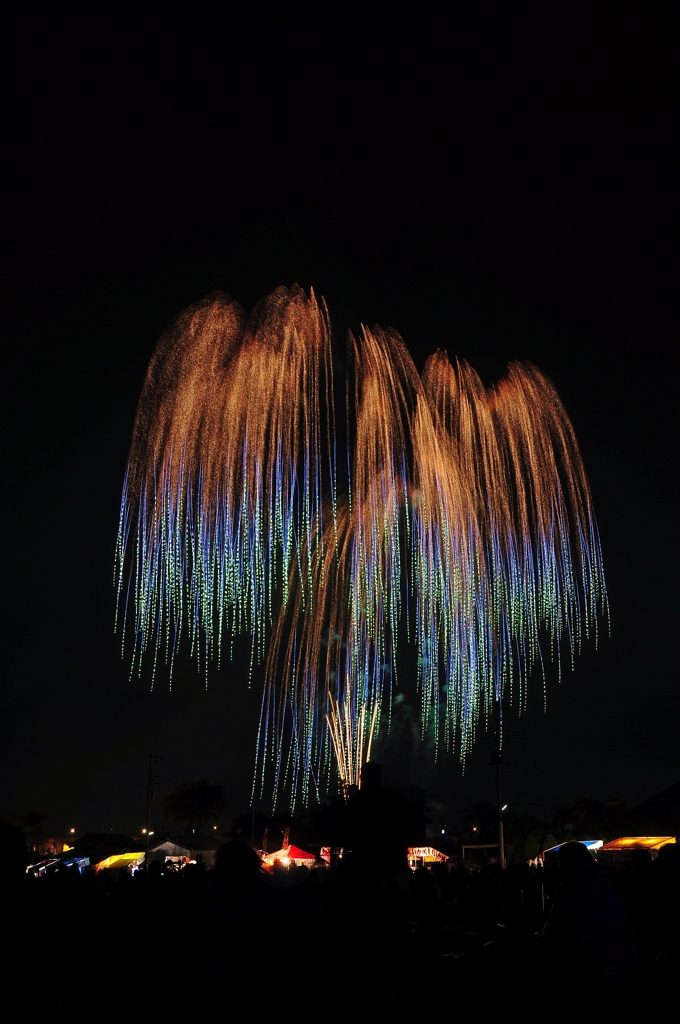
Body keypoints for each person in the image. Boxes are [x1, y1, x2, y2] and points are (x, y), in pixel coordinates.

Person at [538, 841, 638, 996]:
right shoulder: (608, 877)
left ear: (566, 862)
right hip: (628, 959)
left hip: (597, 965)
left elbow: (556, 926)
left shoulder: (571, 885)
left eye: (560, 863)